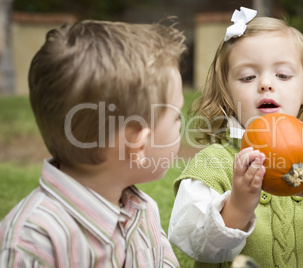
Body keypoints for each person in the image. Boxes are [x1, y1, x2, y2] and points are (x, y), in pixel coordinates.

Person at [168, 7, 303, 268]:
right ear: (226, 95)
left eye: (282, 75)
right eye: (247, 77)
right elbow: (193, 241)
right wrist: (237, 207)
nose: (266, 84)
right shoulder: (212, 164)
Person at [0, 20, 186, 267]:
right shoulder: (32, 244)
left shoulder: (144, 212)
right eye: (176, 116)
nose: (182, 125)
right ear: (137, 144)